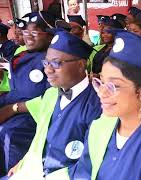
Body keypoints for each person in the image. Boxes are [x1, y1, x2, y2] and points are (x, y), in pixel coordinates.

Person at [68, 30, 141, 180]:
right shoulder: (100, 127)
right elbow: (83, 173)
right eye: (102, 82)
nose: (102, 93)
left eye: (115, 86)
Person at [5, 30, 102, 179]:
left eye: (56, 63)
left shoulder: (98, 105)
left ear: (81, 65)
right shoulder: (50, 94)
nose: (48, 70)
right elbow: (39, 137)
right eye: (46, 62)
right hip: (34, 170)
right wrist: (24, 161)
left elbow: (89, 164)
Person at [0, 11, 55, 176]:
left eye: (35, 32)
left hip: (29, 115)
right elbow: (14, 87)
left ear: (51, 36)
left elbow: (51, 98)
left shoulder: (52, 59)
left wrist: (12, 109)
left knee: (8, 133)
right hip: (9, 107)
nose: (28, 36)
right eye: (26, 31)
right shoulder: (22, 54)